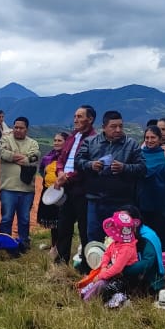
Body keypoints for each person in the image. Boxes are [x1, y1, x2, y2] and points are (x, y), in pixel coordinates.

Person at [76, 110, 145, 242]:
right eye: (113, 127)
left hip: (122, 202)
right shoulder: (90, 142)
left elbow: (142, 168)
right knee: (94, 238)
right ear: (104, 127)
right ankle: (95, 262)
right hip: (95, 200)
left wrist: (124, 167)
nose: (118, 130)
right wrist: (91, 165)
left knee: (121, 239)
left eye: (120, 126)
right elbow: (78, 162)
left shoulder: (131, 144)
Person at [53, 106, 97, 264]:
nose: (75, 120)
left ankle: (87, 263)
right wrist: (59, 172)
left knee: (84, 229)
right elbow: (61, 159)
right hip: (67, 189)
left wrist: (67, 177)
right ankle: (61, 261)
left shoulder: (94, 139)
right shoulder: (72, 136)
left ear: (90, 119)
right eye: (75, 116)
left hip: (82, 190)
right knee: (64, 226)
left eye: (79, 116)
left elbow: (85, 166)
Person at [0, 117, 41, 251]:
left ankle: (23, 245)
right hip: (8, 187)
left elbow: (35, 156)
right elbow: (2, 153)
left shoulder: (33, 143)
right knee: (6, 218)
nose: (17, 130)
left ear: (26, 129)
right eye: (15, 127)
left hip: (27, 189)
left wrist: (14, 156)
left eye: (21, 128)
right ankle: (4, 244)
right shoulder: (5, 140)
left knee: (24, 219)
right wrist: (23, 157)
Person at [137, 126, 165, 249]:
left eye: (153, 137)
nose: (149, 140)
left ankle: (163, 264)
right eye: (147, 137)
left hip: (162, 202)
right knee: (144, 236)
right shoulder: (139, 155)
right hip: (143, 202)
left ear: (160, 139)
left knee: (162, 236)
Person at [37, 131, 68, 243]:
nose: (56, 143)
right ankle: (54, 244)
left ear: (66, 142)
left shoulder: (68, 158)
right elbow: (41, 170)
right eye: (55, 140)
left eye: (59, 140)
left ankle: (61, 246)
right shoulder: (48, 158)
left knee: (61, 220)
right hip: (49, 192)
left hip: (63, 193)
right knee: (53, 221)